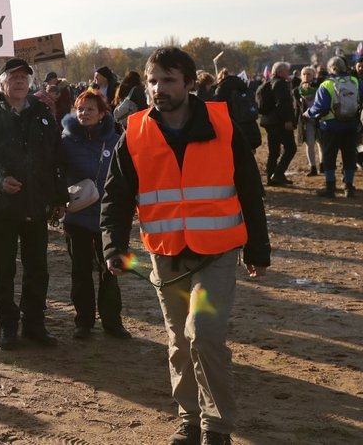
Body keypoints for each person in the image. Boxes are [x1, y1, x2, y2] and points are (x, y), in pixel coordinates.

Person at [101, 47, 270, 445]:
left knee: (204, 333)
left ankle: (216, 426)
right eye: (152, 80)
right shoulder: (135, 132)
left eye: (169, 80)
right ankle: (189, 418)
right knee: (179, 341)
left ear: (191, 84)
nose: (158, 88)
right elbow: (116, 197)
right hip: (166, 256)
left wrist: (258, 250)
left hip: (217, 254)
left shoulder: (224, 126)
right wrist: (113, 248)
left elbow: (250, 190)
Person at [0, 58, 68, 350]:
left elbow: (56, 159)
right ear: (2, 83)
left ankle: (34, 324)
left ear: (30, 82)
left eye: (24, 77)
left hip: (37, 206)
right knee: (4, 269)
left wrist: (59, 197)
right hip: (3, 207)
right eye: (13, 77)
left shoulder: (43, 115)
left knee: (38, 268)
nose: (19, 81)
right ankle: (7, 325)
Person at [60, 90, 129, 340]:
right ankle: (84, 321)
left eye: (90, 109)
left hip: (108, 217)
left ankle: (112, 321)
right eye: (80, 108)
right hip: (76, 215)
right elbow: (56, 173)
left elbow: (126, 176)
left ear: (102, 114)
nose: (84, 113)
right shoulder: (65, 141)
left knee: (111, 270)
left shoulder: (116, 140)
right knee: (80, 271)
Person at [303, 56, 363, 197]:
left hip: (330, 126)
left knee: (329, 157)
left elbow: (321, 108)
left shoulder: (326, 85)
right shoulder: (356, 81)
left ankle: (330, 187)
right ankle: (348, 187)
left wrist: (308, 113)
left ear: (331, 68)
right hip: (351, 126)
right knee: (349, 156)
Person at [259, 61, 297, 186]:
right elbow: (283, 103)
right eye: (287, 71)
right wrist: (288, 120)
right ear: (281, 72)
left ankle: (271, 178)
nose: (289, 73)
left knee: (274, 151)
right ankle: (278, 174)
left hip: (268, 121)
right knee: (291, 148)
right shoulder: (281, 84)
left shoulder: (267, 83)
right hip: (280, 122)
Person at [293, 66, 321, 175]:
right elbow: (296, 107)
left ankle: (323, 164)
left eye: (309, 74)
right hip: (306, 120)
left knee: (321, 143)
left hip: (320, 119)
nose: (306, 76)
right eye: (304, 74)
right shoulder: (297, 91)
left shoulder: (319, 88)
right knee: (310, 144)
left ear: (313, 75)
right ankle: (312, 167)